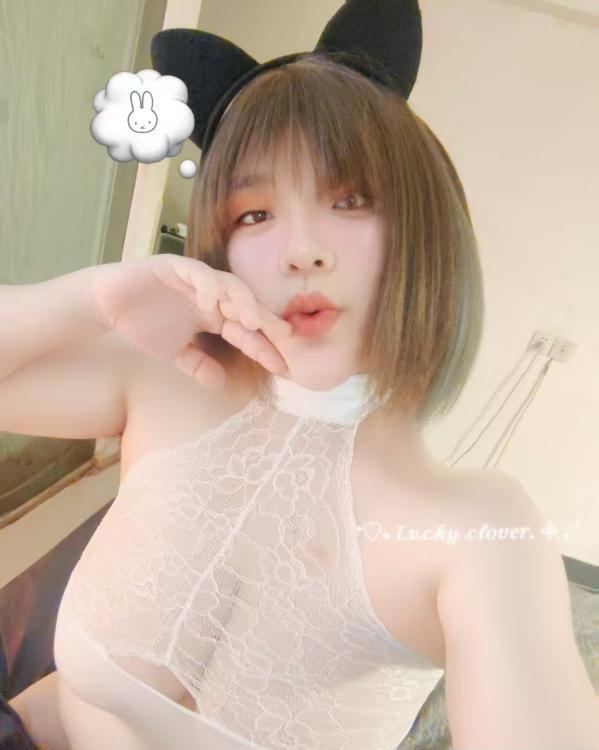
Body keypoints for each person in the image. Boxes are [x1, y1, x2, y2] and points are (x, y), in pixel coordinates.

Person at [5, 3, 599, 749]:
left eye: (349, 199)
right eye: (254, 215)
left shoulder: (475, 536)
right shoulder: (171, 379)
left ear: (428, 227)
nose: (301, 249)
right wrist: (92, 297)